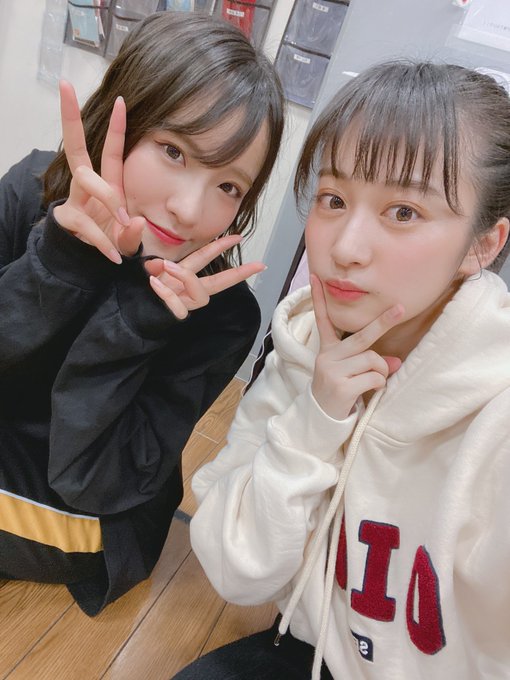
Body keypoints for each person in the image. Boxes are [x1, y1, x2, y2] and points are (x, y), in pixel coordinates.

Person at [177, 61, 510, 679]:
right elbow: (231, 567)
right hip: (313, 652)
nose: (345, 248)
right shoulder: (306, 346)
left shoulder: (497, 414)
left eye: (403, 212)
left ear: (481, 245)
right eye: (333, 200)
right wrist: (317, 418)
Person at [0, 11, 284, 616]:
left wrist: (137, 320)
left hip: (98, 509)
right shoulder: (32, 191)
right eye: (174, 151)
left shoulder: (222, 315)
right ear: (119, 123)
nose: (189, 209)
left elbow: (94, 478)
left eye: (229, 187)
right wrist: (60, 262)